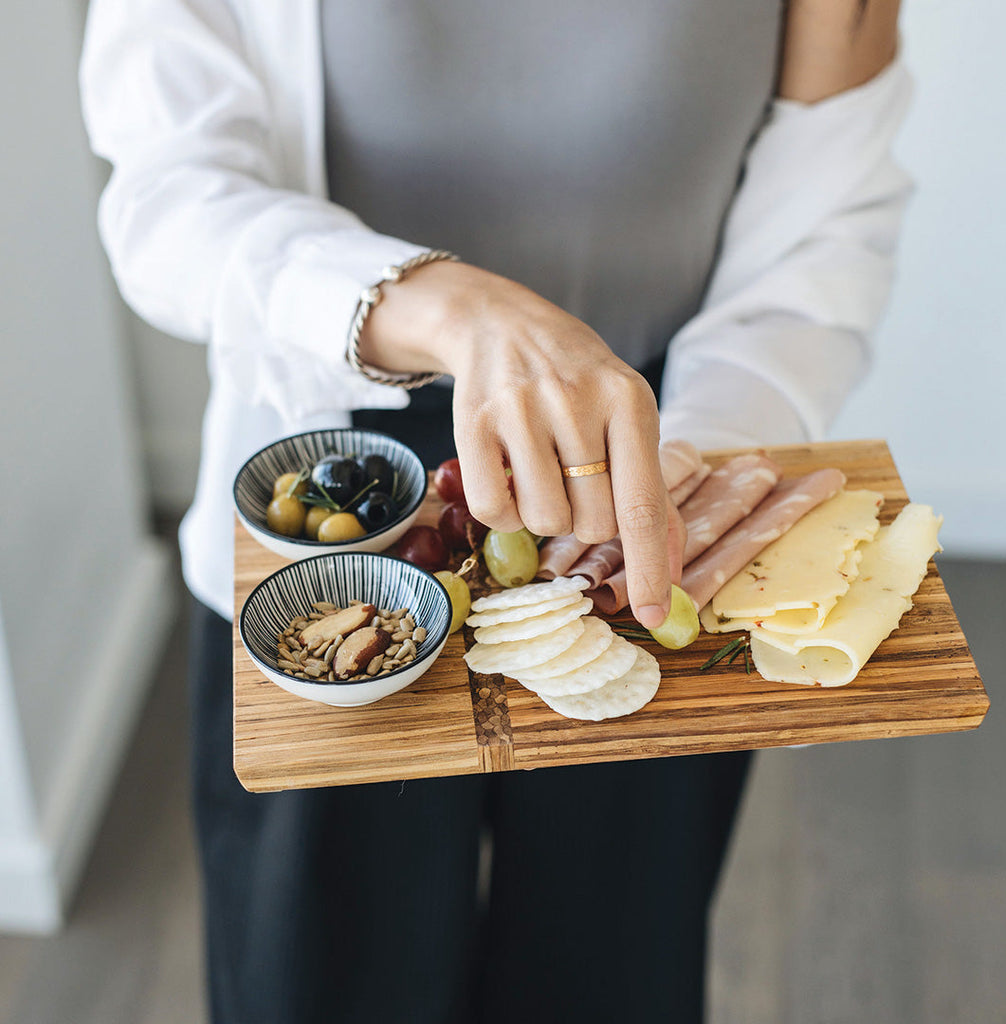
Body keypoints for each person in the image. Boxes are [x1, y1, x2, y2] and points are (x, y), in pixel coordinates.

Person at [80, 1, 910, 1021]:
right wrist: (449, 308)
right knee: (317, 973)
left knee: (614, 968)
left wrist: (699, 460)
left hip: (659, 472)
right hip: (341, 463)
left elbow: (829, 212)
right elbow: (168, 198)